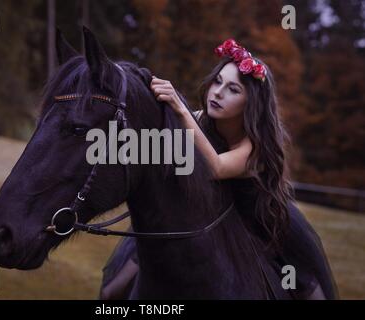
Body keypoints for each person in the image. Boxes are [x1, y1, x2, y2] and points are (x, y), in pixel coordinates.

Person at [99, 39, 338, 300]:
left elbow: (215, 167)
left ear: (251, 103)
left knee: (309, 292)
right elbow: (164, 135)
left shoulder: (256, 145)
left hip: (255, 222)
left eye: (233, 89)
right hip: (203, 212)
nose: (218, 92)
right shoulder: (200, 119)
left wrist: (180, 109)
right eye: (218, 81)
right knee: (113, 291)